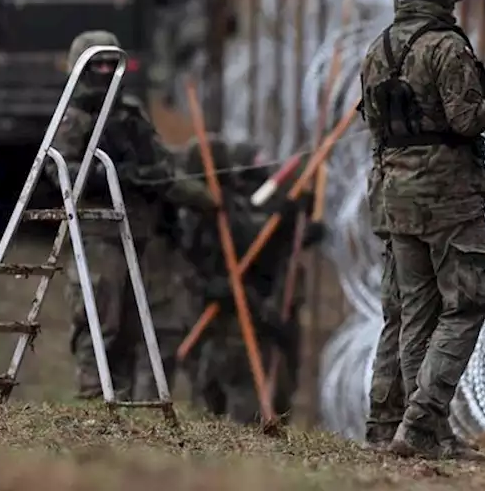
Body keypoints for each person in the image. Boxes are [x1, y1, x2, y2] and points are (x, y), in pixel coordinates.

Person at [361, 0, 485, 460]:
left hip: (393, 192)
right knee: (468, 301)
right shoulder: (445, 46)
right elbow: (466, 118)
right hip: (445, 194)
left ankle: (401, 429)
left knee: (414, 311)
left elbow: (374, 123)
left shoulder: (380, 49)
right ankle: (421, 426)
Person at [49, 30, 217, 402]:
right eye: (98, 65)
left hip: (137, 229)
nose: (107, 72)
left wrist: (174, 185)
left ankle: (119, 394)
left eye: (112, 64)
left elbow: (160, 163)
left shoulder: (131, 112)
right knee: (98, 315)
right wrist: (111, 175)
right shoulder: (73, 117)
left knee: (132, 322)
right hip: (95, 229)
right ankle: (94, 392)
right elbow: (60, 170)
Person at [173, 136, 322, 425]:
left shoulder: (229, 207)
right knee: (212, 390)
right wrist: (210, 286)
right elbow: (191, 258)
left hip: (246, 315)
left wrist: (291, 222)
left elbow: (259, 247)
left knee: (254, 390)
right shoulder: (195, 209)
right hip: (210, 317)